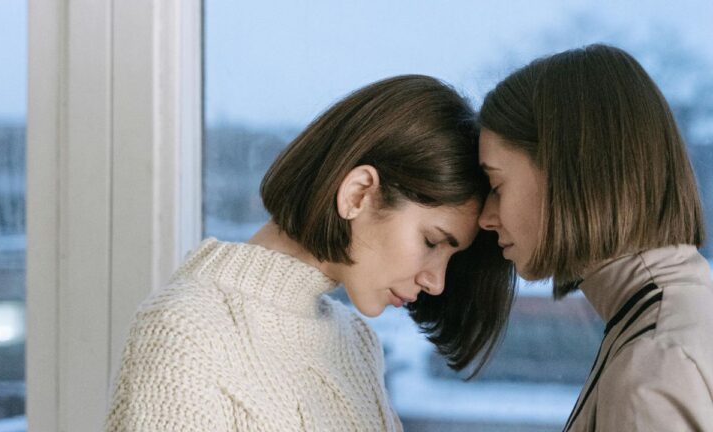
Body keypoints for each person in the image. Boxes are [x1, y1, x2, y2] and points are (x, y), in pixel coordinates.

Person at [106, 75, 515, 431]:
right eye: (431, 242)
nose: (436, 281)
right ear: (358, 194)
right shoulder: (184, 331)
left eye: (449, 257)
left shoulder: (356, 344)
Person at [477, 43, 713, 431]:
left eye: (495, 184)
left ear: (566, 174)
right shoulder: (667, 322)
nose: (487, 218)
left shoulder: (653, 361)